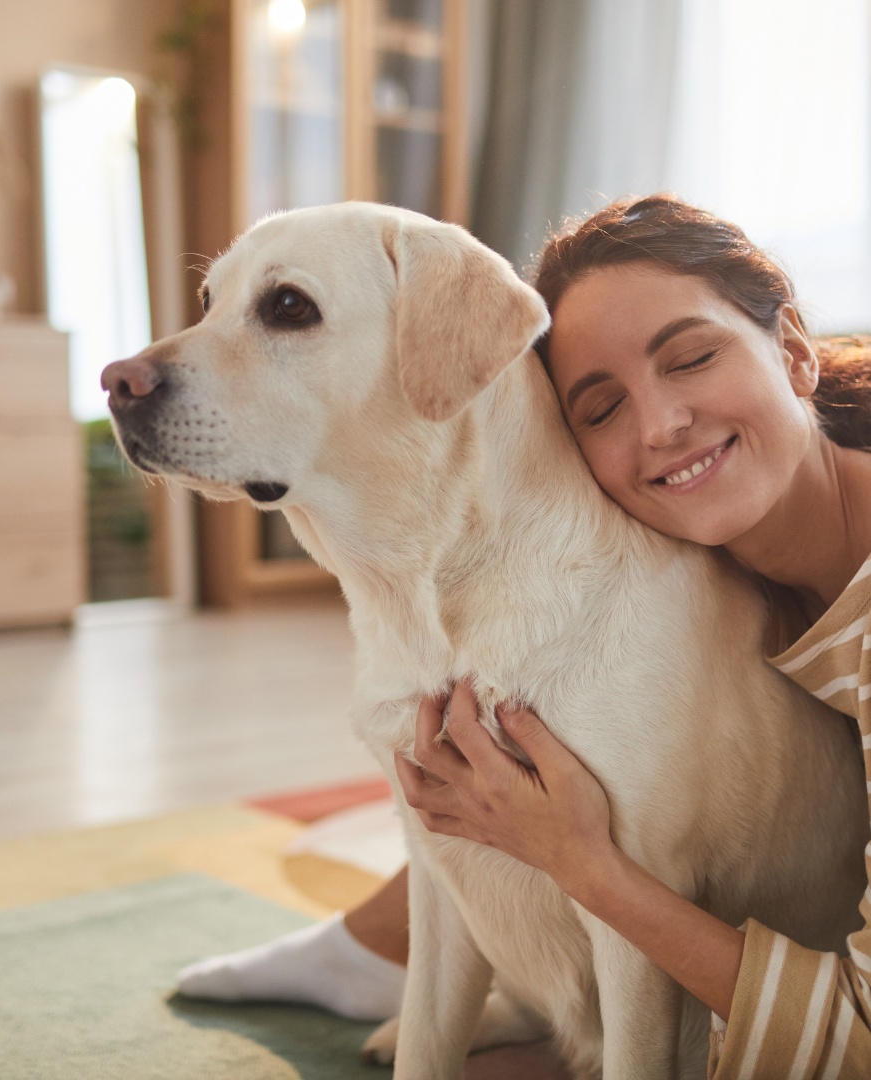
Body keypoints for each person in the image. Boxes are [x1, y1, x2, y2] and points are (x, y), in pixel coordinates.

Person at [177, 195, 871, 1077]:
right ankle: (373, 948)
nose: (659, 427)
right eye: (599, 408)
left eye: (693, 357)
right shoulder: (725, 561)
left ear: (798, 351)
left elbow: (859, 1040)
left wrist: (582, 860)